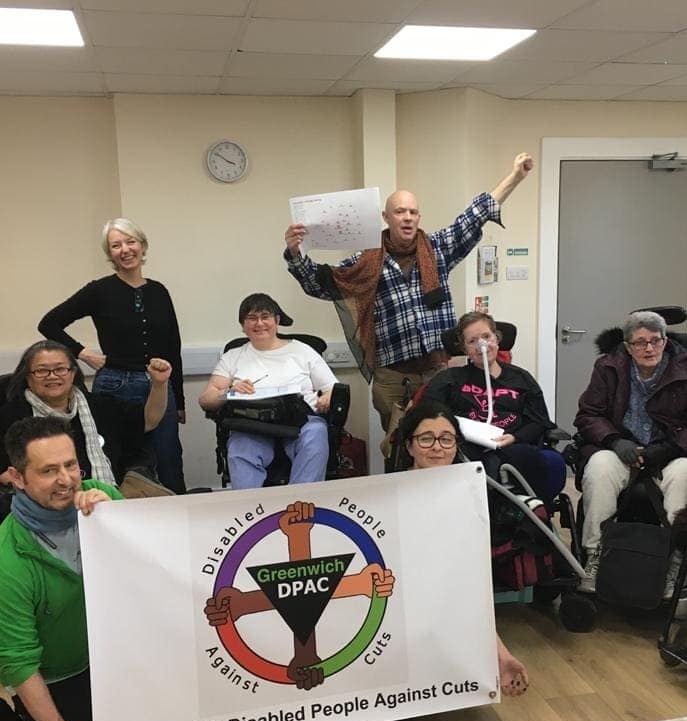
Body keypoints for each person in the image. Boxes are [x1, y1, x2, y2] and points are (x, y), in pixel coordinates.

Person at [283, 153, 534, 430]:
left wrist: (515, 177)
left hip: (437, 372)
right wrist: (296, 253)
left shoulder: (436, 249)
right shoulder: (365, 261)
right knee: (397, 446)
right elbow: (321, 283)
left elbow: (474, 216)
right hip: (392, 377)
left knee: (439, 440)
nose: (407, 217)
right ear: (386, 217)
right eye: (400, 212)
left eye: (413, 212)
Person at [0, 416, 123, 721]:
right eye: (48, 471)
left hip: (115, 665)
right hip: (57, 682)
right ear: (17, 477)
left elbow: (148, 570)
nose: (66, 480)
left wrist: (118, 520)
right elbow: (19, 662)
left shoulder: (104, 496)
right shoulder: (8, 558)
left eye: (71, 465)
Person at [574, 310, 687, 595]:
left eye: (655, 340)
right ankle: (595, 557)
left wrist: (669, 448)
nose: (649, 348)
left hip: (673, 451)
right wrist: (615, 441)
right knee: (599, 466)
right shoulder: (609, 367)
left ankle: (674, 562)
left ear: (665, 341)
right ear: (627, 346)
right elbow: (588, 414)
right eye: (640, 342)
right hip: (623, 450)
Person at [38, 217, 186, 493]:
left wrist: (179, 400)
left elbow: (172, 345)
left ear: (142, 247)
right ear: (110, 254)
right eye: (116, 245)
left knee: (169, 460)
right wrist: (84, 354)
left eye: (130, 242)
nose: (125, 250)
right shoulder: (99, 290)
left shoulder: (158, 291)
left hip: (160, 387)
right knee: (120, 459)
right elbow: (49, 323)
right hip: (116, 386)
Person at [399, 399, 529, 697]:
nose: (437, 447)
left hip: (450, 594)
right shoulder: (389, 494)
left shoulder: (471, 495)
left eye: (446, 439)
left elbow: (469, 578)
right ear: (409, 446)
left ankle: (498, 655)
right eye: (426, 438)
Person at [422, 311, 566, 510]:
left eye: (486, 337)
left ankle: (529, 518)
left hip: (514, 446)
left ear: (497, 339)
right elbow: (427, 414)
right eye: (472, 341)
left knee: (533, 459)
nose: (482, 345)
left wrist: (515, 437)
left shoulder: (521, 379)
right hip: (466, 448)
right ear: (464, 348)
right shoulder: (449, 379)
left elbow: (539, 421)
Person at [199, 293, 338, 489]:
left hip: (301, 421)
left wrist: (328, 398)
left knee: (316, 434)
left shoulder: (302, 350)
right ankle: (252, 511)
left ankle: (301, 503)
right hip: (252, 423)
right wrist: (230, 391)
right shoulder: (233, 356)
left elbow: (333, 388)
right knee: (240, 449)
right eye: (252, 318)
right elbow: (206, 399)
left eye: (265, 316)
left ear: (277, 320)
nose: (260, 323)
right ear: (242, 325)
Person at [0, 340, 171, 489]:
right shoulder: (9, 417)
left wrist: (159, 384)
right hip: (41, 509)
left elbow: (149, 421)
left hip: (104, 500)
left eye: (60, 369)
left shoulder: (101, 407)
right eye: (41, 371)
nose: (52, 377)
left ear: (73, 373)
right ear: (27, 377)